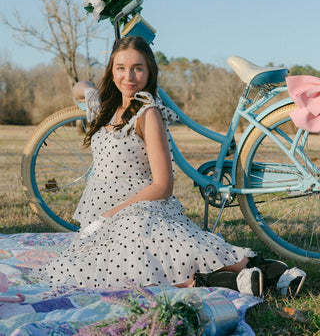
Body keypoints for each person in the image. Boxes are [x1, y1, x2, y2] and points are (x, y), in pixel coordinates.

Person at [39, 36, 306, 298]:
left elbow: (163, 185)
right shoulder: (105, 106)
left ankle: (268, 273)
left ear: (149, 71)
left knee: (157, 252)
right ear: (111, 70)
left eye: (137, 68)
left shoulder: (147, 112)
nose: (128, 77)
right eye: (120, 68)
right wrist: (89, 86)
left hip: (138, 206)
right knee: (97, 268)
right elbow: (79, 89)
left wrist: (112, 214)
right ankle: (231, 280)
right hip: (104, 215)